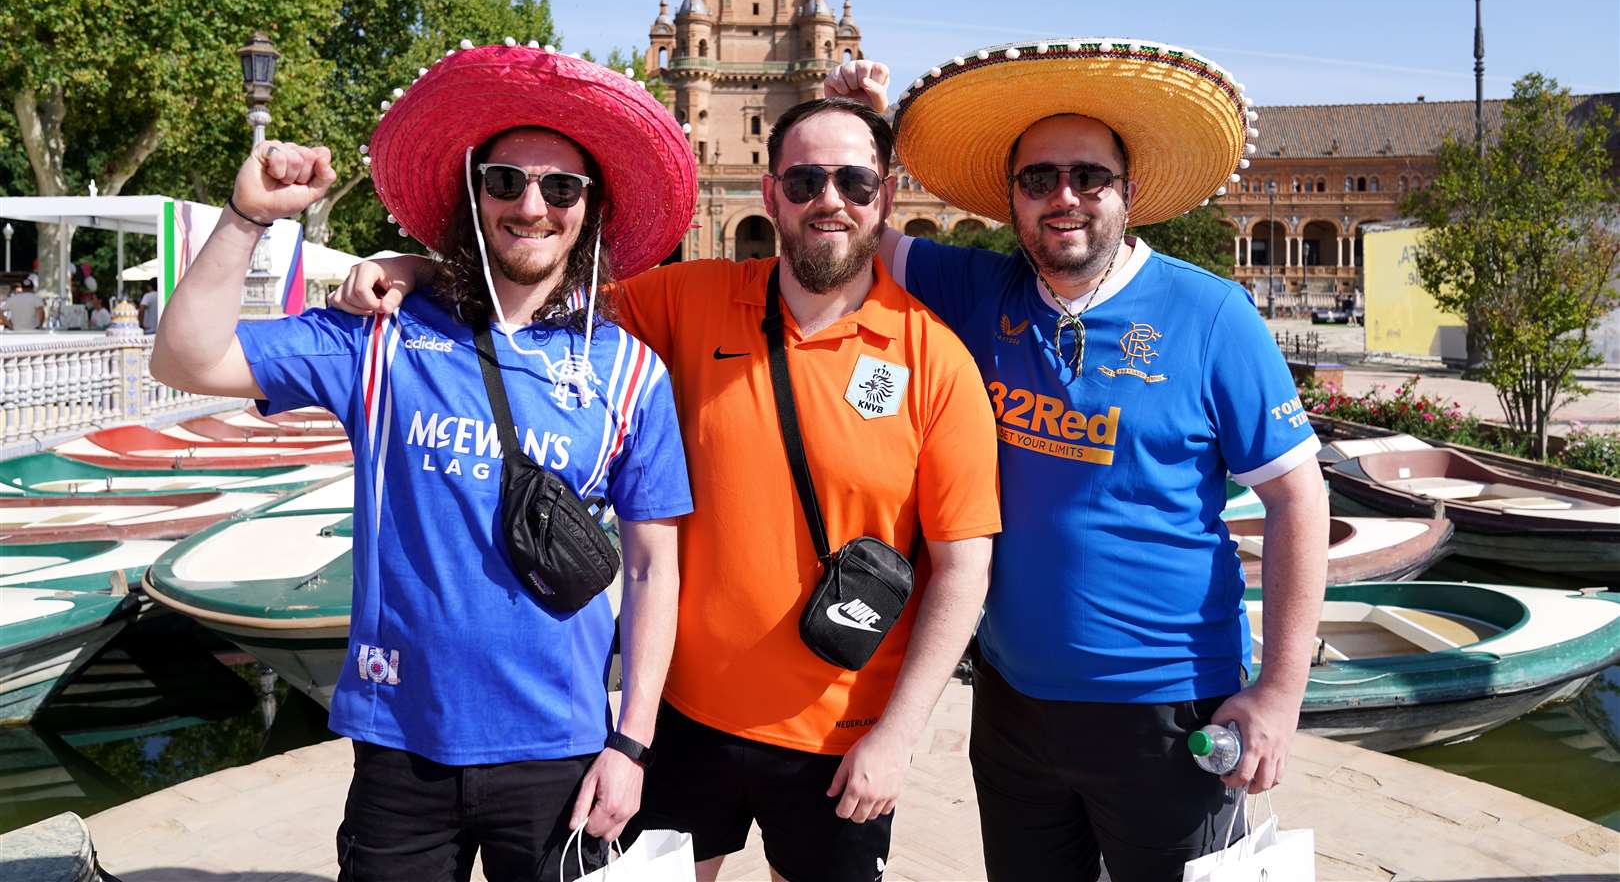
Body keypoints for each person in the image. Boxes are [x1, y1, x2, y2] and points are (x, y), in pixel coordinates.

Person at [337, 96, 1002, 882]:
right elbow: (537, 293)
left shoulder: (936, 360)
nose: (830, 200)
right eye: (805, 181)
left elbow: (963, 570)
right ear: (769, 193)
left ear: (885, 197)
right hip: (683, 724)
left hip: (840, 734)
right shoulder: (691, 299)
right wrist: (418, 273)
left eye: (855, 182)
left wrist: (897, 738)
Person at [150, 44, 696, 882]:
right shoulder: (381, 336)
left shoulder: (628, 372)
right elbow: (187, 361)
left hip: (566, 748)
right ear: (473, 195)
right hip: (401, 741)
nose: (532, 205)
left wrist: (633, 741)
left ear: (591, 208)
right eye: (505, 181)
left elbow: (656, 568)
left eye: (561, 187)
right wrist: (246, 216)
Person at [827, 45, 1330, 881]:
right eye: (1038, 179)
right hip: (1013, 708)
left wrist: (1280, 693)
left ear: (1127, 194)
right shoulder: (983, 293)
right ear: (1012, 199)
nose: (1063, 197)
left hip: (1169, 711)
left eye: (1089, 177)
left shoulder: (1210, 315)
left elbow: (1298, 499)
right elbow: (856, 229)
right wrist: (867, 125)